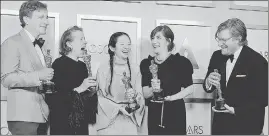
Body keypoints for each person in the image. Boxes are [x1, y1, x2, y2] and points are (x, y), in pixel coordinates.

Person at [203, 18, 268, 135]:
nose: (219, 44)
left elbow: (262, 100)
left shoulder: (258, 61)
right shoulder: (216, 56)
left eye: (223, 40)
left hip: (247, 127)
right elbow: (208, 87)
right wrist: (208, 81)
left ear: (238, 39)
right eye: (218, 39)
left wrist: (235, 110)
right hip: (220, 127)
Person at [1, 0, 52, 134]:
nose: (46, 22)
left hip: (42, 115)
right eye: (41, 17)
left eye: (46, 17)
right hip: (23, 116)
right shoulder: (12, 42)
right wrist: (38, 76)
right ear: (26, 19)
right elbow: (6, 78)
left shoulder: (39, 46)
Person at [140, 25, 194, 135]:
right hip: (154, 113)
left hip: (175, 112)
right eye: (152, 38)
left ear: (168, 41)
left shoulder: (181, 62)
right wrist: (154, 89)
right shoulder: (146, 64)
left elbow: (190, 88)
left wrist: (172, 98)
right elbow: (145, 93)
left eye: (158, 37)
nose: (154, 41)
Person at [48, 26, 97, 135]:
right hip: (62, 123)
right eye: (81, 39)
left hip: (81, 123)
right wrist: (81, 88)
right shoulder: (58, 64)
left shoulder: (83, 66)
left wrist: (91, 92)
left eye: (84, 39)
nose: (85, 42)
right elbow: (56, 98)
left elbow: (85, 102)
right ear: (69, 44)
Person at [95, 32, 147, 135]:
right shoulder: (103, 69)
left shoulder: (135, 68)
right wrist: (119, 108)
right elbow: (100, 97)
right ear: (112, 48)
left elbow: (140, 95)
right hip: (108, 122)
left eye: (128, 44)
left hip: (129, 119)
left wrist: (135, 98)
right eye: (122, 44)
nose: (126, 47)